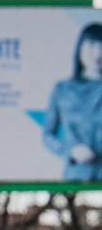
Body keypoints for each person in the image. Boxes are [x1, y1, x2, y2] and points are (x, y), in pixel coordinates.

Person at [34, 23, 102, 182]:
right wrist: (71, 150)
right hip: (74, 177)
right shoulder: (62, 89)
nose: (98, 52)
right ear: (80, 47)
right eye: (92, 45)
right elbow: (47, 135)